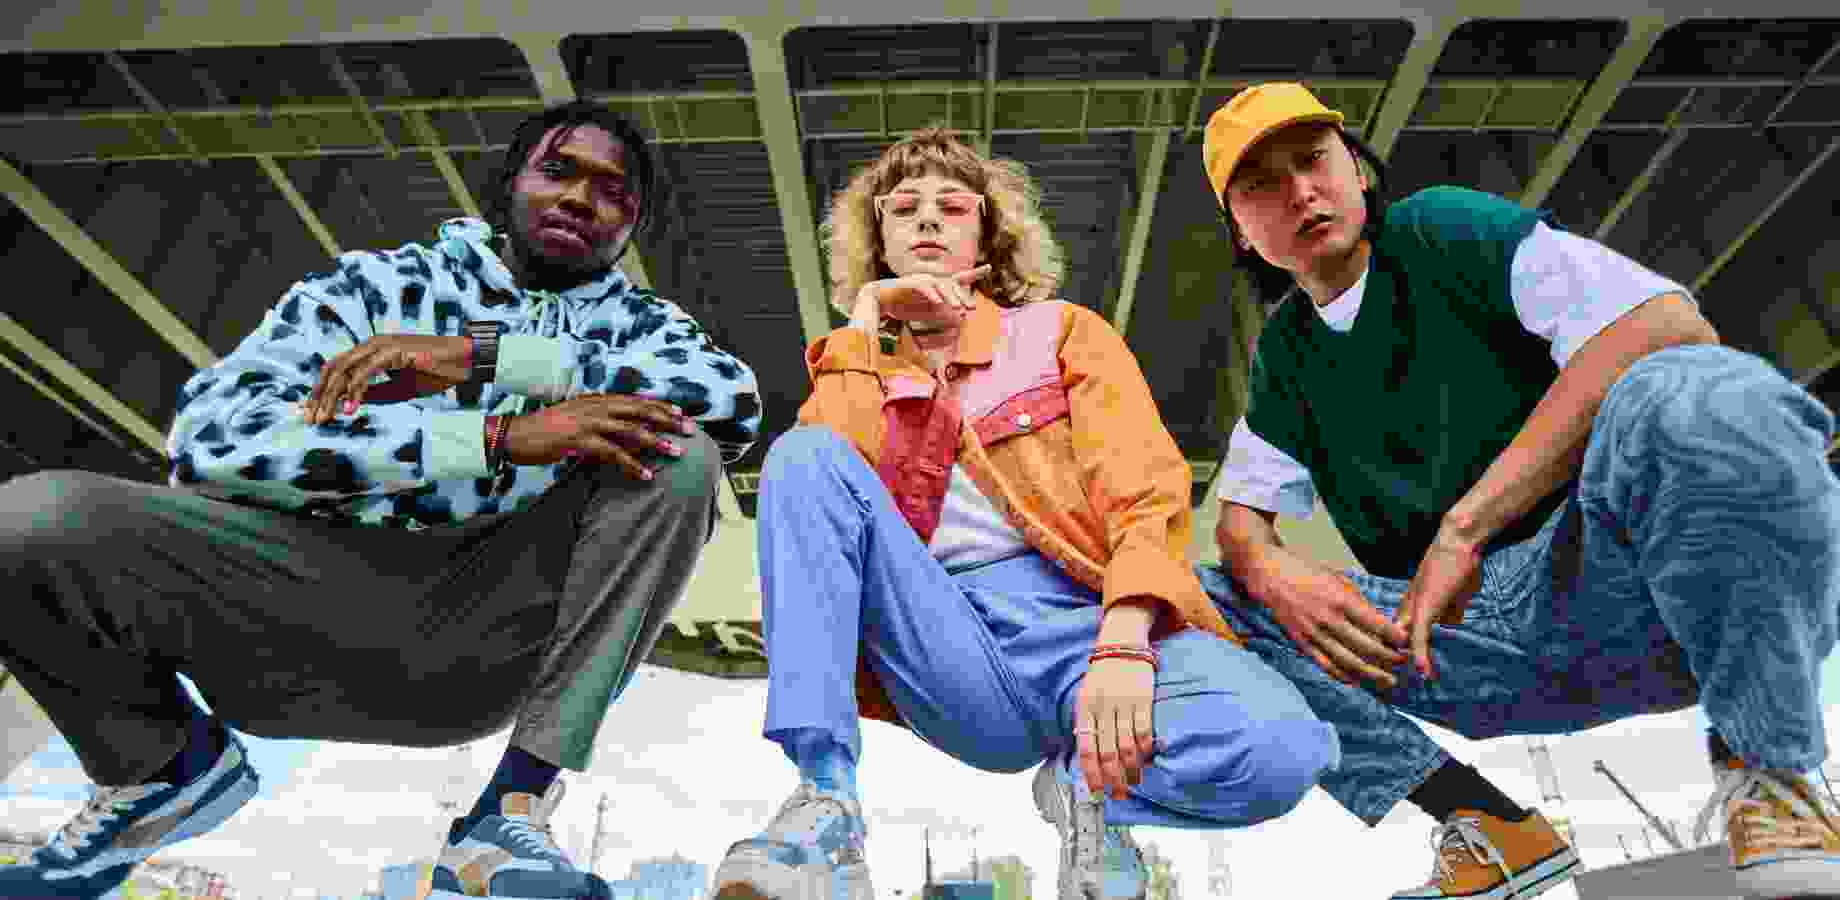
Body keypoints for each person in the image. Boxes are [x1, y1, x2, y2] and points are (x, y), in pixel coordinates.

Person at [0, 101, 762, 900]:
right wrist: (495, 438)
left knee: (679, 453)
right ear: (509, 182)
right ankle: (159, 766)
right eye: (559, 170)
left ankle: (510, 813)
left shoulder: (643, 326)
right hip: (289, 600)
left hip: (477, 631)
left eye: (613, 192)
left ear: (631, 225)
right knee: (27, 521)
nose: (580, 199)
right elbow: (215, 437)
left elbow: (730, 399)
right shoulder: (372, 287)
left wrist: (486, 358)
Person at [1188, 82, 1840, 900]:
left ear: (1356, 168)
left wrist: (1463, 528)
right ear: (1241, 231)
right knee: (1198, 602)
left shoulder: (1444, 229)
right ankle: (1490, 827)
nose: (1300, 192)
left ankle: (1772, 773)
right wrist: (1266, 566)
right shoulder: (1285, 356)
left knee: (1699, 392)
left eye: (1314, 160)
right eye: (1261, 185)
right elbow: (1240, 524)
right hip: (1470, 642)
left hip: (1619, 569)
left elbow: (1665, 323)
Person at [705, 127, 1338, 900]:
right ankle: (825, 804)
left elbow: (1143, 489)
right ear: (879, 241)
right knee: (802, 455)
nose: (927, 219)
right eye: (902, 209)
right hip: (955, 643)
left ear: (988, 233)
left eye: (952, 207)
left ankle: (1087, 793)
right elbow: (820, 489)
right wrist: (865, 321)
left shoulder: (1061, 332)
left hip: (1088, 616)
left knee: (1285, 751)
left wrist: (1123, 644)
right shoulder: (865, 367)